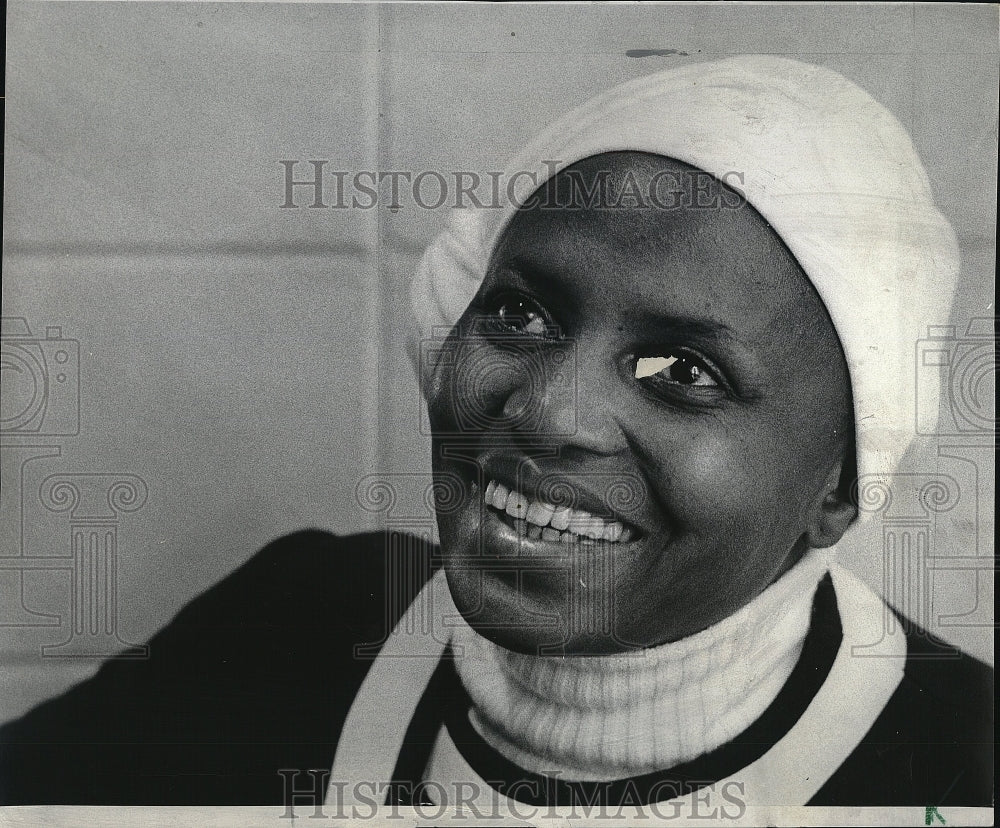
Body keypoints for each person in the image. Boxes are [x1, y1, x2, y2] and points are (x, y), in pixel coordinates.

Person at [0, 55, 992, 812]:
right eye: (522, 314)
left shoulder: (960, 760)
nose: (548, 412)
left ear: (835, 490)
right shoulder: (292, 635)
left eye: (686, 373)